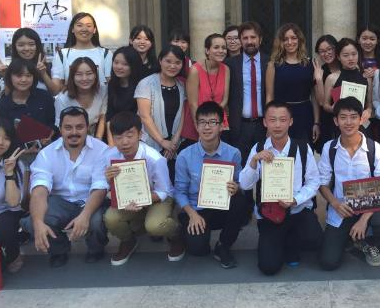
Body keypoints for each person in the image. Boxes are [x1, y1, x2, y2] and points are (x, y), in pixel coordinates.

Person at [239, 101, 322, 275]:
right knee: (268, 267)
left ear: (290, 122)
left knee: (314, 240)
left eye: (282, 120)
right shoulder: (258, 148)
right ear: (265, 122)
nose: (277, 125)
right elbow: (245, 184)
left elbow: (314, 182)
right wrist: (254, 161)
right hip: (270, 213)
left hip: (298, 210)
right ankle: (279, 242)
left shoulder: (302, 148)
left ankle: (291, 241)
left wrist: (295, 199)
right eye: (272, 120)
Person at [22, 106, 110, 267]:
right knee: (34, 222)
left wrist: (85, 216)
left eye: (79, 127)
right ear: (60, 129)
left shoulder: (102, 150)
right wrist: (38, 222)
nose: (74, 132)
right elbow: (39, 190)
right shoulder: (46, 154)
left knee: (97, 221)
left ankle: (96, 249)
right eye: (68, 127)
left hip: (91, 201)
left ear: (88, 127)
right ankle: (59, 250)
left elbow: (100, 187)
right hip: (60, 202)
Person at [318, 97, 380, 269]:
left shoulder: (375, 148)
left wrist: (364, 219)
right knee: (328, 262)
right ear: (336, 121)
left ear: (361, 119)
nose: (348, 122)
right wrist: (335, 203)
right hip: (341, 210)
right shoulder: (329, 148)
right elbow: (322, 183)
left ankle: (369, 243)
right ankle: (352, 239)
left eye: (353, 117)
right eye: (343, 117)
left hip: (368, 209)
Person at [103, 112, 183, 265]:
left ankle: (176, 235)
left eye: (129, 135)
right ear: (112, 138)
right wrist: (108, 180)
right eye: (118, 137)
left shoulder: (154, 158)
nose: (124, 142)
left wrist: (141, 199)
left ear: (140, 134)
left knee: (155, 225)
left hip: (157, 198)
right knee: (110, 218)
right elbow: (105, 188)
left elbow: (164, 192)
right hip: (129, 199)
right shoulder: (109, 156)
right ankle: (128, 241)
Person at [174, 101, 247, 268]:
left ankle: (223, 245)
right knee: (198, 250)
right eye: (202, 122)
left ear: (221, 126)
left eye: (212, 122)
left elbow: (239, 182)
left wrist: (236, 187)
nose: (207, 127)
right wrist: (192, 214)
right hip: (197, 209)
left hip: (222, 206)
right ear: (196, 125)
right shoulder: (185, 156)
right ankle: (185, 229)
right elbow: (179, 191)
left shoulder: (233, 153)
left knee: (240, 201)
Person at [135, 45, 186, 180]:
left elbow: (182, 115)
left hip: (174, 145)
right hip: (151, 143)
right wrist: (162, 142)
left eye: (177, 62)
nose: (172, 66)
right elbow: (145, 117)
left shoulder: (181, 86)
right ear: (160, 61)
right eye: (168, 61)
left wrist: (174, 142)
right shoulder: (146, 84)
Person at [265, 23, 319, 144]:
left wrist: (316, 122)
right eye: (285, 39)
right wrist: (269, 123)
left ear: (299, 40)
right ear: (281, 42)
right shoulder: (273, 65)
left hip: (305, 115)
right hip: (281, 116)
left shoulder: (309, 64)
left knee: (304, 151)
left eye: (293, 38)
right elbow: (269, 96)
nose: (290, 42)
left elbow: (314, 97)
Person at [225, 21, 269, 162]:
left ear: (260, 40)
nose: (249, 41)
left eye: (253, 37)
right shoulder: (230, 64)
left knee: (264, 167)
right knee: (240, 167)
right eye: (245, 38)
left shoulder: (270, 63)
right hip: (239, 126)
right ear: (240, 41)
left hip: (264, 126)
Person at [0, 118, 27, 272]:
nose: (0, 142)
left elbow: (13, 203)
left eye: (6, 138)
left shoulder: (16, 164)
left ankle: (13, 256)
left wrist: (9, 173)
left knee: (3, 226)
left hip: (5, 212)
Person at [182, 33, 229, 147]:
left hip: (217, 123)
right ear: (207, 50)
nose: (221, 51)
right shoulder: (195, 70)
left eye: (223, 48)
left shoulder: (226, 69)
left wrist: (214, 122)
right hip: (196, 123)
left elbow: (224, 99)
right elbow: (192, 104)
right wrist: (201, 128)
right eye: (216, 47)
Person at [0, 58, 55, 140]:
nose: (24, 80)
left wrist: (51, 133)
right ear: (10, 77)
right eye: (19, 75)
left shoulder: (45, 96)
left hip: (46, 145)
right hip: (18, 147)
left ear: (34, 77)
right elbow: (5, 134)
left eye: (28, 75)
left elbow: (53, 122)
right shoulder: (4, 103)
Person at [0, 28, 62, 95]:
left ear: (37, 46)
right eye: (21, 45)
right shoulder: (11, 68)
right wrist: (5, 75)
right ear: (15, 47)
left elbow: (55, 92)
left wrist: (43, 74)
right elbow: (9, 96)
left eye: (31, 44)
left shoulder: (50, 66)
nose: (26, 48)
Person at [322, 38, 372, 132]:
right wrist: (333, 108)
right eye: (346, 55)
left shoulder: (366, 77)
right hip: (340, 126)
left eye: (354, 54)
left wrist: (368, 111)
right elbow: (325, 105)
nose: (351, 58)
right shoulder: (332, 78)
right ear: (338, 57)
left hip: (361, 124)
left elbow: (369, 104)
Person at [52, 12, 113, 87]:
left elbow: (109, 83)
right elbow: (58, 86)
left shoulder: (105, 54)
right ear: (72, 29)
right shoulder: (62, 55)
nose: (84, 29)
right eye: (79, 25)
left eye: (89, 26)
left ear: (94, 30)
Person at [54, 57, 107, 138]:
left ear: (95, 75)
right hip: (72, 138)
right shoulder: (62, 99)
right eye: (79, 74)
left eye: (89, 74)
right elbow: (61, 128)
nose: (84, 78)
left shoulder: (103, 91)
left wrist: (97, 141)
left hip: (96, 138)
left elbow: (103, 117)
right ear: (72, 77)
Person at [105, 46, 143, 144]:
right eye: (116, 62)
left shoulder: (142, 85)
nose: (119, 67)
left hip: (137, 136)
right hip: (116, 134)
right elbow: (110, 115)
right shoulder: (112, 84)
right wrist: (111, 143)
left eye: (125, 64)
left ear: (134, 65)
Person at [313, 34, 340, 149]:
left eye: (329, 49)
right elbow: (320, 102)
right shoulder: (319, 71)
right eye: (322, 51)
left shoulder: (346, 67)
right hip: (328, 118)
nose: (327, 53)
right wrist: (319, 80)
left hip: (347, 117)